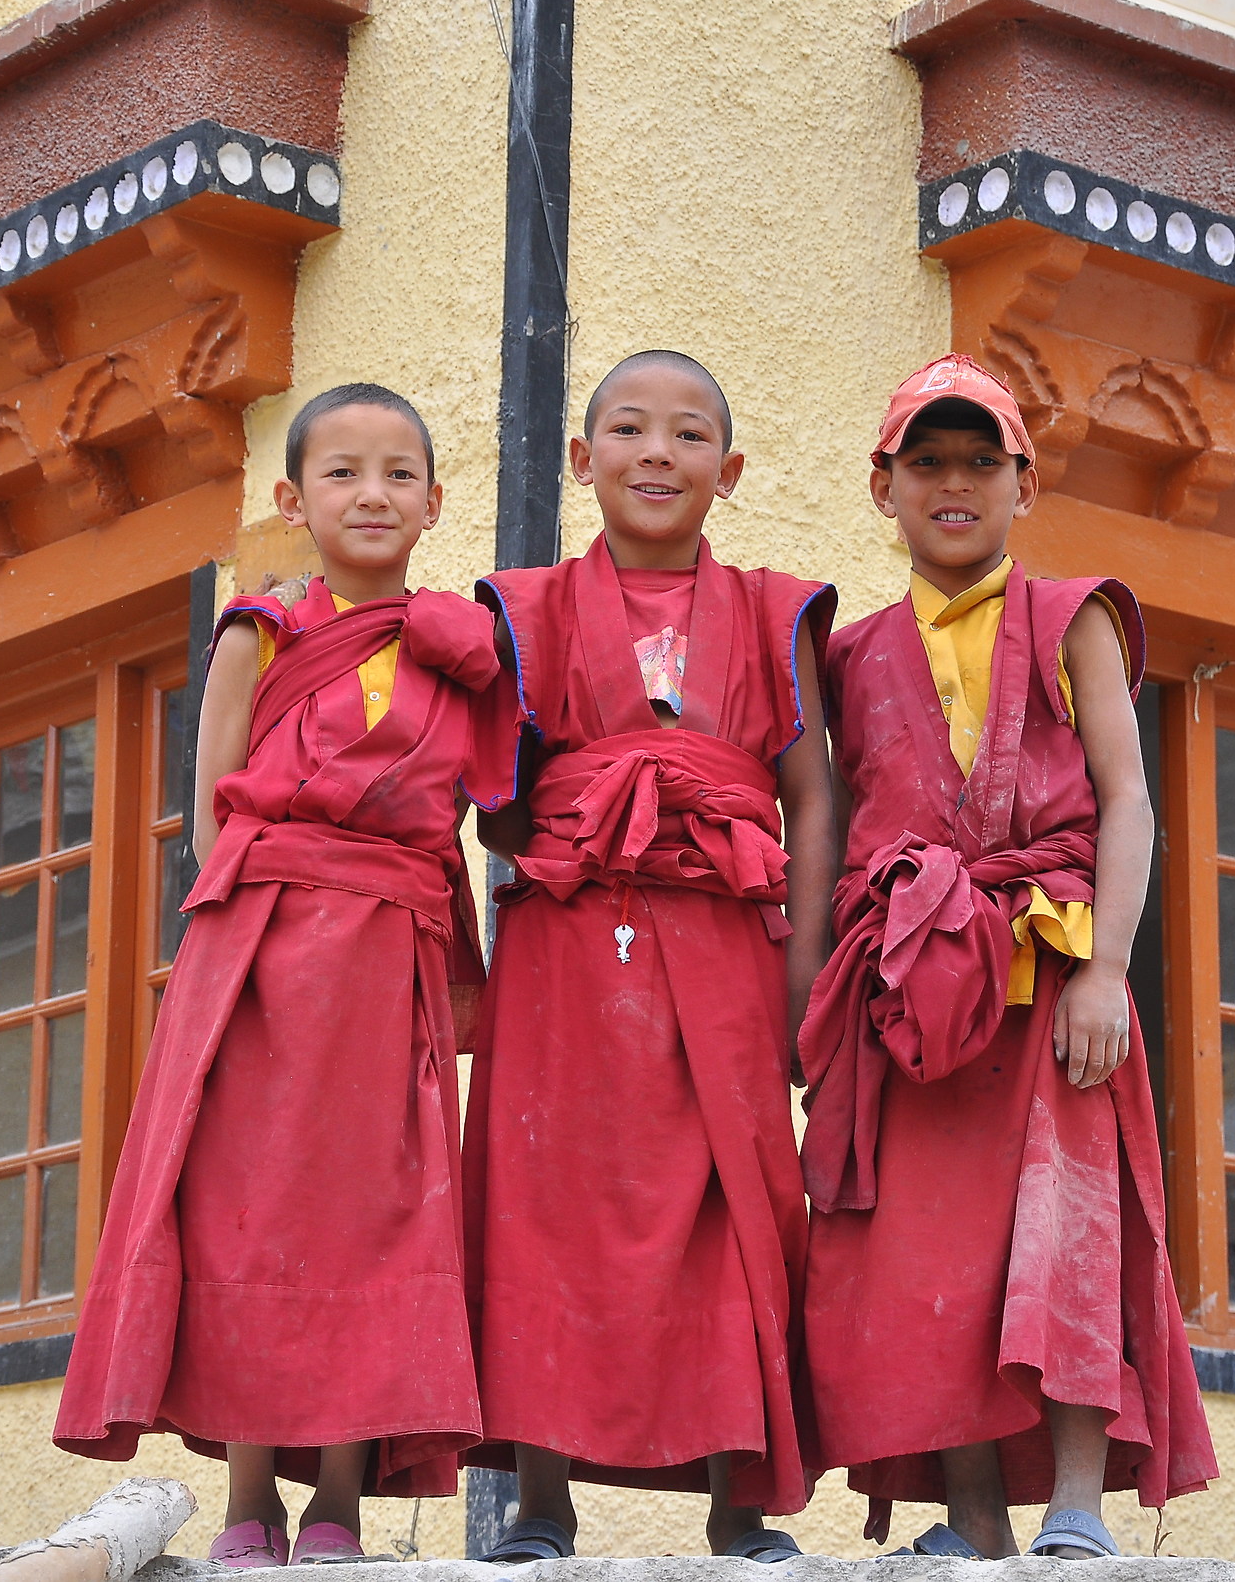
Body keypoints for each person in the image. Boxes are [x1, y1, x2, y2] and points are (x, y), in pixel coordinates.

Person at [54, 383, 501, 1568]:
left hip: (388, 963)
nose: (374, 493)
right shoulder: (258, 632)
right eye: (345, 472)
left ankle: (341, 1501)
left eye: (400, 473)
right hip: (261, 960)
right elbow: (208, 818)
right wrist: (258, 957)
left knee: (376, 1215)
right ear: (294, 500)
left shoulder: (457, 652)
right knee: (251, 1214)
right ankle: (252, 1496)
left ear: (435, 503)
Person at [798, 355, 1215, 1560]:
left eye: (982, 459)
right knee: (933, 1250)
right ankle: (972, 1518)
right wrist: (823, 1002)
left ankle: (1076, 1503)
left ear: (1024, 483)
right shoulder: (849, 651)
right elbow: (827, 829)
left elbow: (1128, 800)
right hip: (910, 990)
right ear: (883, 487)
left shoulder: (1070, 612)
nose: (954, 483)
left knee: (1065, 1231)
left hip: (1048, 975)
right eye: (926, 461)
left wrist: (1108, 973)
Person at [462, 351, 836, 1562]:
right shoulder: (524, 609)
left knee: (736, 1199)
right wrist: (587, 816)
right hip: (569, 937)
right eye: (628, 429)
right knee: (545, 1200)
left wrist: (804, 981)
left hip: (728, 935)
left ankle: (741, 1500)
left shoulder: (779, 614)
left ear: (728, 473)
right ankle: (540, 1498)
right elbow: (496, 802)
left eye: (687, 437)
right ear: (584, 461)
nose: (657, 454)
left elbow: (812, 803)